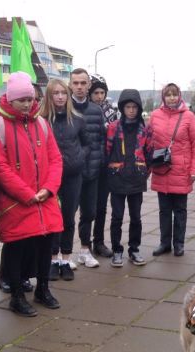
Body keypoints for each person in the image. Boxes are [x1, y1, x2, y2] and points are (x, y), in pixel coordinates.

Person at [0, 71, 63, 317]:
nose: (27, 104)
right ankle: (17, 296)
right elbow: (1, 167)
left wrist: (48, 189)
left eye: (30, 99)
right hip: (17, 202)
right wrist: (27, 193)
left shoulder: (41, 123)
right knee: (16, 249)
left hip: (44, 199)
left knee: (45, 247)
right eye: (22, 100)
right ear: (11, 99)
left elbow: (55, 159)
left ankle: (43, 288)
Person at [149, 83, 195, 257]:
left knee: (180, 210)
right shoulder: (155, 116)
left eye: (174, 94)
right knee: (164, 210)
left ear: (179, 96)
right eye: (168, 95)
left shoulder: (188, 117)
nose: (171, 98)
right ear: (163, 97)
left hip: (181, 170)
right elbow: (148, 143)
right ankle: (164, 243)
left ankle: (178, 243)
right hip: (161, 170)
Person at [47, 77, 90, 279]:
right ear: (50, 95)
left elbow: (88, 144)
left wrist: (79, 157)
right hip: (51, 178)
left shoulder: (78, 119)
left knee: (68, 218)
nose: (60, 96)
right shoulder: (43, 120)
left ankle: (65, 258)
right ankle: (53, 259)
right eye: (56, 93)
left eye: (63, 92)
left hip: (73, 175)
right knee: (52, 218)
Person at [105, 89, 151, 267]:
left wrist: (143, 172)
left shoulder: (144, 129)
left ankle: (134, 249)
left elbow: (148, 153)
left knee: (136, 218)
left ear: (139, 109)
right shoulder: (113, 128)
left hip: (136, 181)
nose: (131, 110)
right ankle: (117, 250)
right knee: (116, 217)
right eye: (127, 107)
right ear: (122, 108)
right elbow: (107, 152)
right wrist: (113, 170)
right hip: (117, 180)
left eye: (134, 107)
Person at [69, 68, 108, 274]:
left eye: (83, 83)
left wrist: (99, 159)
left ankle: (85, 249)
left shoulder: (96, 110)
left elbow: (100, 139)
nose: (79, 87)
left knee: (89, 212)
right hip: (70, 173)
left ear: (89, 85)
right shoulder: (64, 107)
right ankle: (62, 254)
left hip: (92, 171)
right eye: (75, 83)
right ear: (70, 85)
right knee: (67, 214)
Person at [88, 73, 117, 263]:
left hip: (106, 166)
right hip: (89, 165)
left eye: (102, 92)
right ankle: (85, 244)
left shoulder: (112, 112)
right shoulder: (85, 111)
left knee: (101, 207)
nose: (99, 96)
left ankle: (98, 241)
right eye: (96, 92)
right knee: (87, 209)